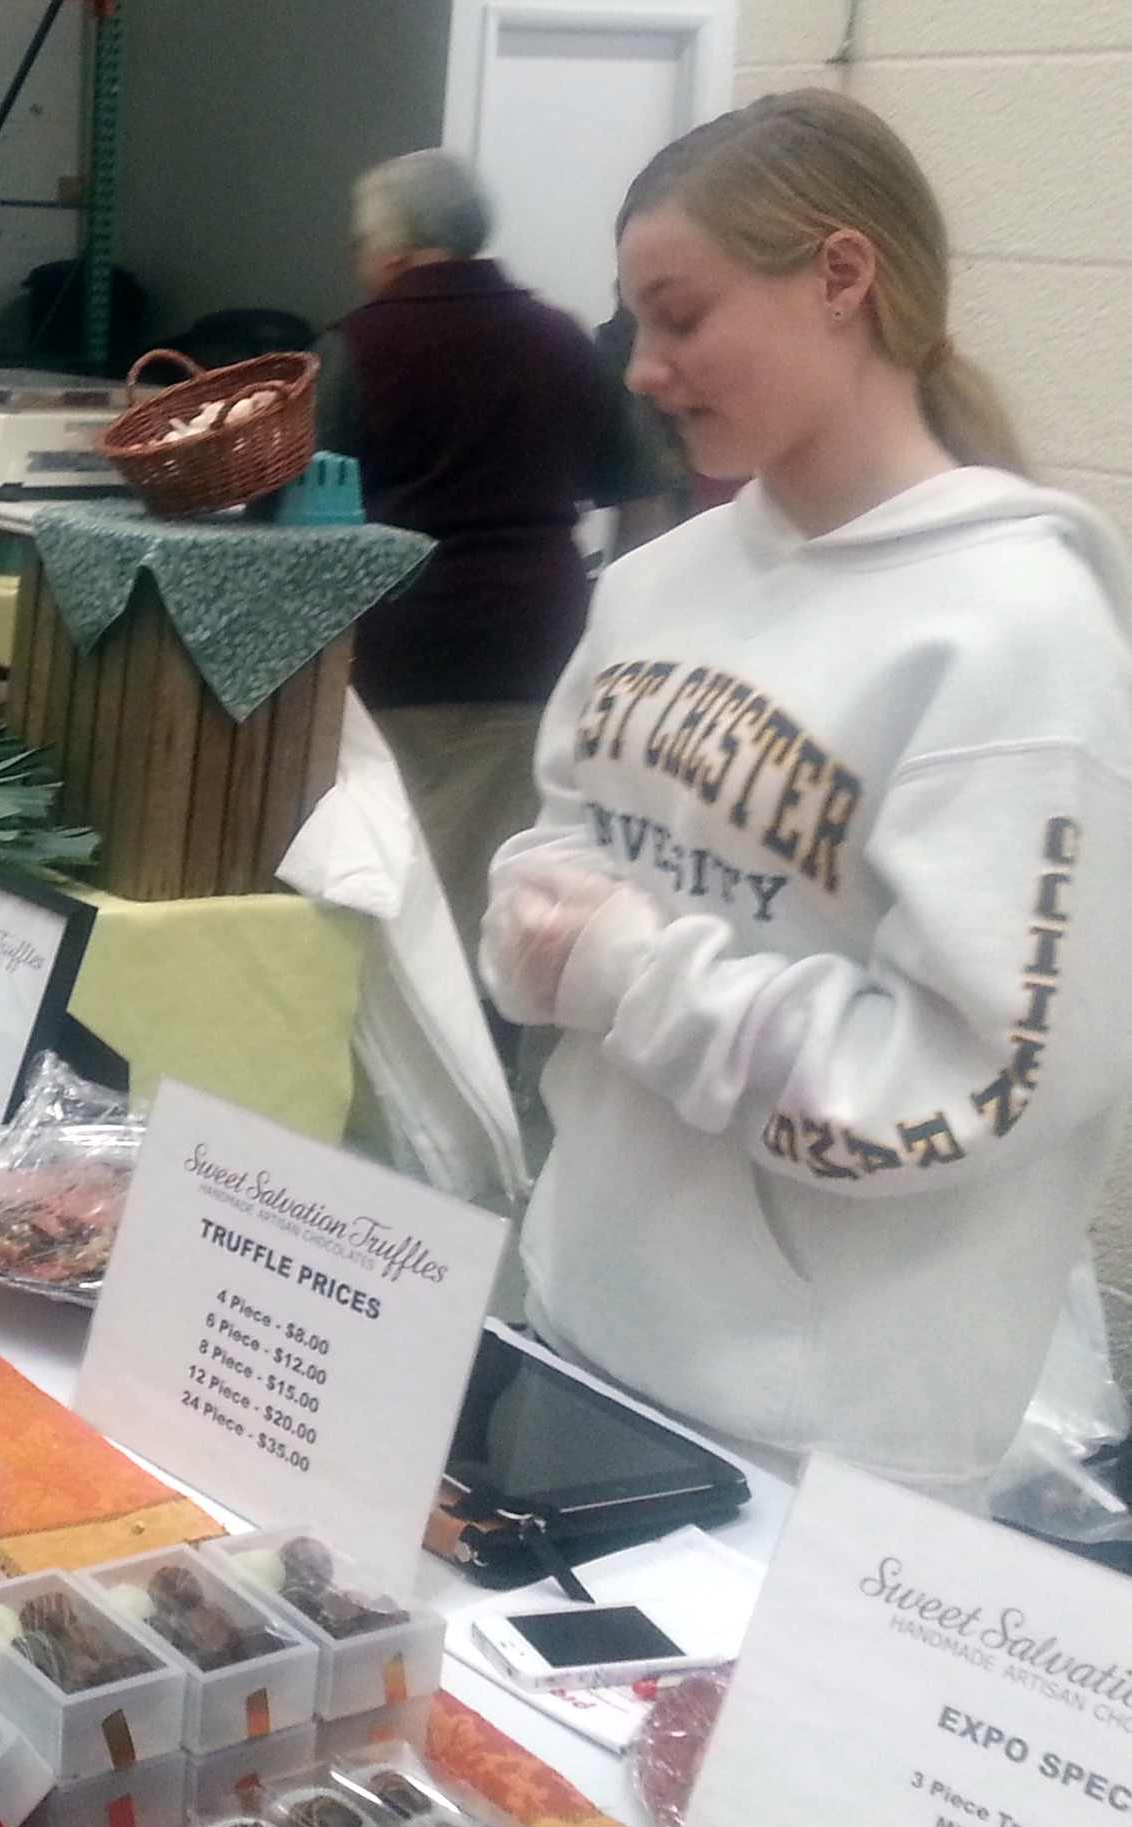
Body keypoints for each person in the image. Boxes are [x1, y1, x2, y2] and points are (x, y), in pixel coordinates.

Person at [478, 89, 1132, 1496]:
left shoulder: (1018, 633)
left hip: (822, 1423)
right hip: (586, 1307)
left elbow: (969, 1074)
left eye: (680, 315)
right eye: (634, 323)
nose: (643, 369)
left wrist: (625, 969)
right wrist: (540, 923)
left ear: (841, 276)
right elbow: (559, 842)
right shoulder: (655, 583)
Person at [315, 150, 657, 971]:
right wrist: (621, 616)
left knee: (394, 883)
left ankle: (414, 1044)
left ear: (392, 249)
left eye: (360, 244)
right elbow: (643, 495)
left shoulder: (354, 348)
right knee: (512, 881)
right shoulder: (563, 340)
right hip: (540, 648)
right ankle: (504, 1037)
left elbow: (300, 506)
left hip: (396, 651)